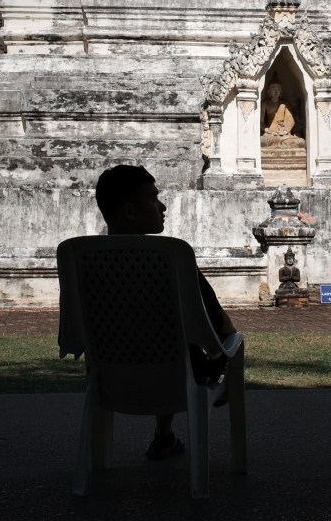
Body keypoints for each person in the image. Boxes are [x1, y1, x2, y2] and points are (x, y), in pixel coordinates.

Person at [95, 164, 237, 459]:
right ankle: (213, 391)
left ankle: (164, 436)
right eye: (153, 197)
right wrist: (229, 342)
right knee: (218, 341)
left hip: (109, 379)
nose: (162, 206)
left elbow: (70, 339)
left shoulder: (85, 261)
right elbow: (217, 327)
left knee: (156, 337)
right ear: (130, 211)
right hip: (175, 380)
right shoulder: (171, 258)